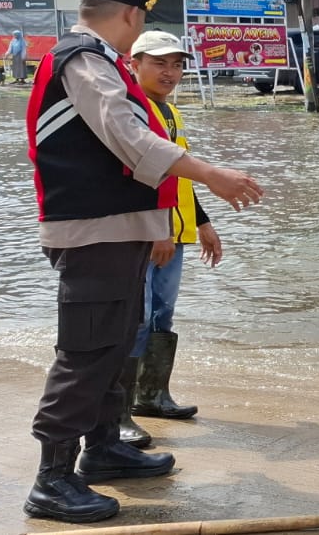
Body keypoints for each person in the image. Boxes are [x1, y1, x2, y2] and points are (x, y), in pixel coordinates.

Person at [22, 0, 263, 524]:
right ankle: (51, 479)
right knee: (85, 354)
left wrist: (159, 221)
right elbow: (132, 140)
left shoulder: (93, 61)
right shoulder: (84, 60)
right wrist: (211, 174)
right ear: (132, 14)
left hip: (118, 228)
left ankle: (103, 448)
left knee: (113, 346)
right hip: (92, 232)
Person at [117, 31, 224, 449]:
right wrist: (158, 230)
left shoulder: (170, 112)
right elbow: (142, 174)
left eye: (177, 64)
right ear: (135, 64)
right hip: (147, 232)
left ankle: (152, 397)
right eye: (159, 63)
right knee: (137, 317)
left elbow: (178, 172)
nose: (170, 72)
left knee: (162, 314)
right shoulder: (132, 111)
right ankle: (120, 413)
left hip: (174, 232)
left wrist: (202, 223)